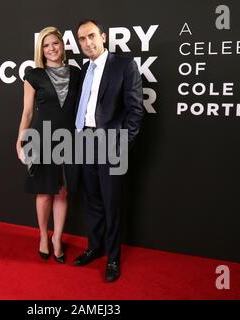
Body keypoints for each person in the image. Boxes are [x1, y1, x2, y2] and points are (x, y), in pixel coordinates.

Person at [73, 20, 144, 281]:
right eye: (82, 39)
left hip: (111, 145)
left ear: (102, 36)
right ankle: (95, 247)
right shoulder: (83, 69)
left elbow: (135, 110)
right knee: (92, 200)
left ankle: (113, 259)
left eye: (91, 36)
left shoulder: (124, 65)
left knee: (112, 203)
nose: (87, 42)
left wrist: (122, 146)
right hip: (84, 141)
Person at [16, 27, 81, 263]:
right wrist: (21, 139)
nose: (51, 48)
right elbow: (27, 112)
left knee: (62, 192)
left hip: (70, 140)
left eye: (55, 43)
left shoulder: (76, 73)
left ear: (62, 46)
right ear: (40, 50)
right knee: (44, 192)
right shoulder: (33, 75)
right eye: (46, 45)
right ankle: (44, 236)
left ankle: (58, 238)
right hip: (41, 138)